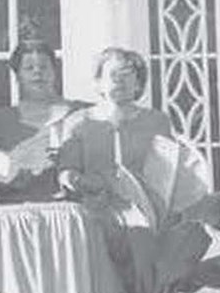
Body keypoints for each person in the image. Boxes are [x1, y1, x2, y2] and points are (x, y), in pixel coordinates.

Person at [57, 47, 195, 222]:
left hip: (146, 216)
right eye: (112, 74)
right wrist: (79, 181)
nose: (119, 81)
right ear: (98, 82)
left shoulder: (157, 122)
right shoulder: (78, 122)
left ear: (138, 83)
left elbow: (167, 175)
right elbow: (67, 172)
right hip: (93, 215)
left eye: (127, 75)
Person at [0, 39, 90, 204]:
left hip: (73, 210)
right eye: (29, 68)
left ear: (54, 71)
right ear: (17, 75)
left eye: (44, 67)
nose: (37, 72)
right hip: (19, 213)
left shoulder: (82, 112)